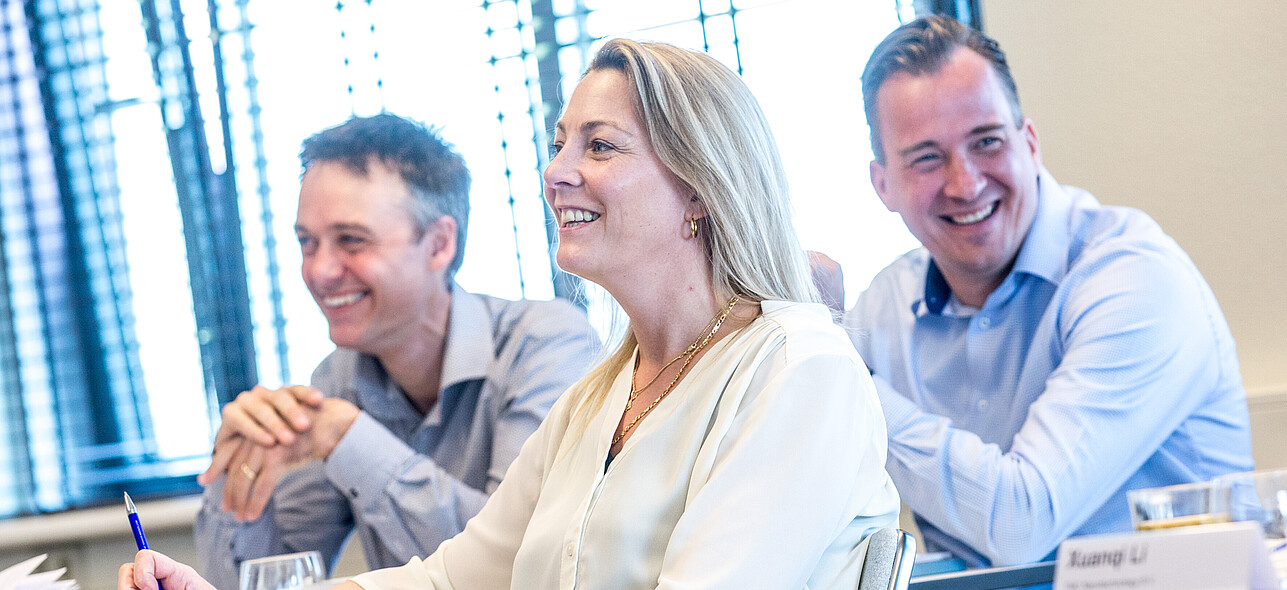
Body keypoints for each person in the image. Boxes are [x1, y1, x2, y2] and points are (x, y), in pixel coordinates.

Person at [123, 38, 900, 590]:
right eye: (561, 143)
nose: (555, 171)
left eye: (599, 146)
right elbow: (451, 578)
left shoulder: (799, 369)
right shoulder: (599, 395)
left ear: (698, 188)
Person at [844, 15, 1253, 566]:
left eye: (986, 141)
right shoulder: (884, 307)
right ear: (882, 185)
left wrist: (853, 390)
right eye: (926, 157)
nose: (965, 183)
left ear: (1030, 143)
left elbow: (1020, 525)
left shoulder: (1135, 277)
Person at [190, 114, 600, 589]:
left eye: (351, 241)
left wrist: (348, 439)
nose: (319, 271)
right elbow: (262, 579)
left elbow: (517, 563)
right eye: (307, 242)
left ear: (439, 244)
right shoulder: (338, 380)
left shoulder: (548, 344)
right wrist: (233, 464)